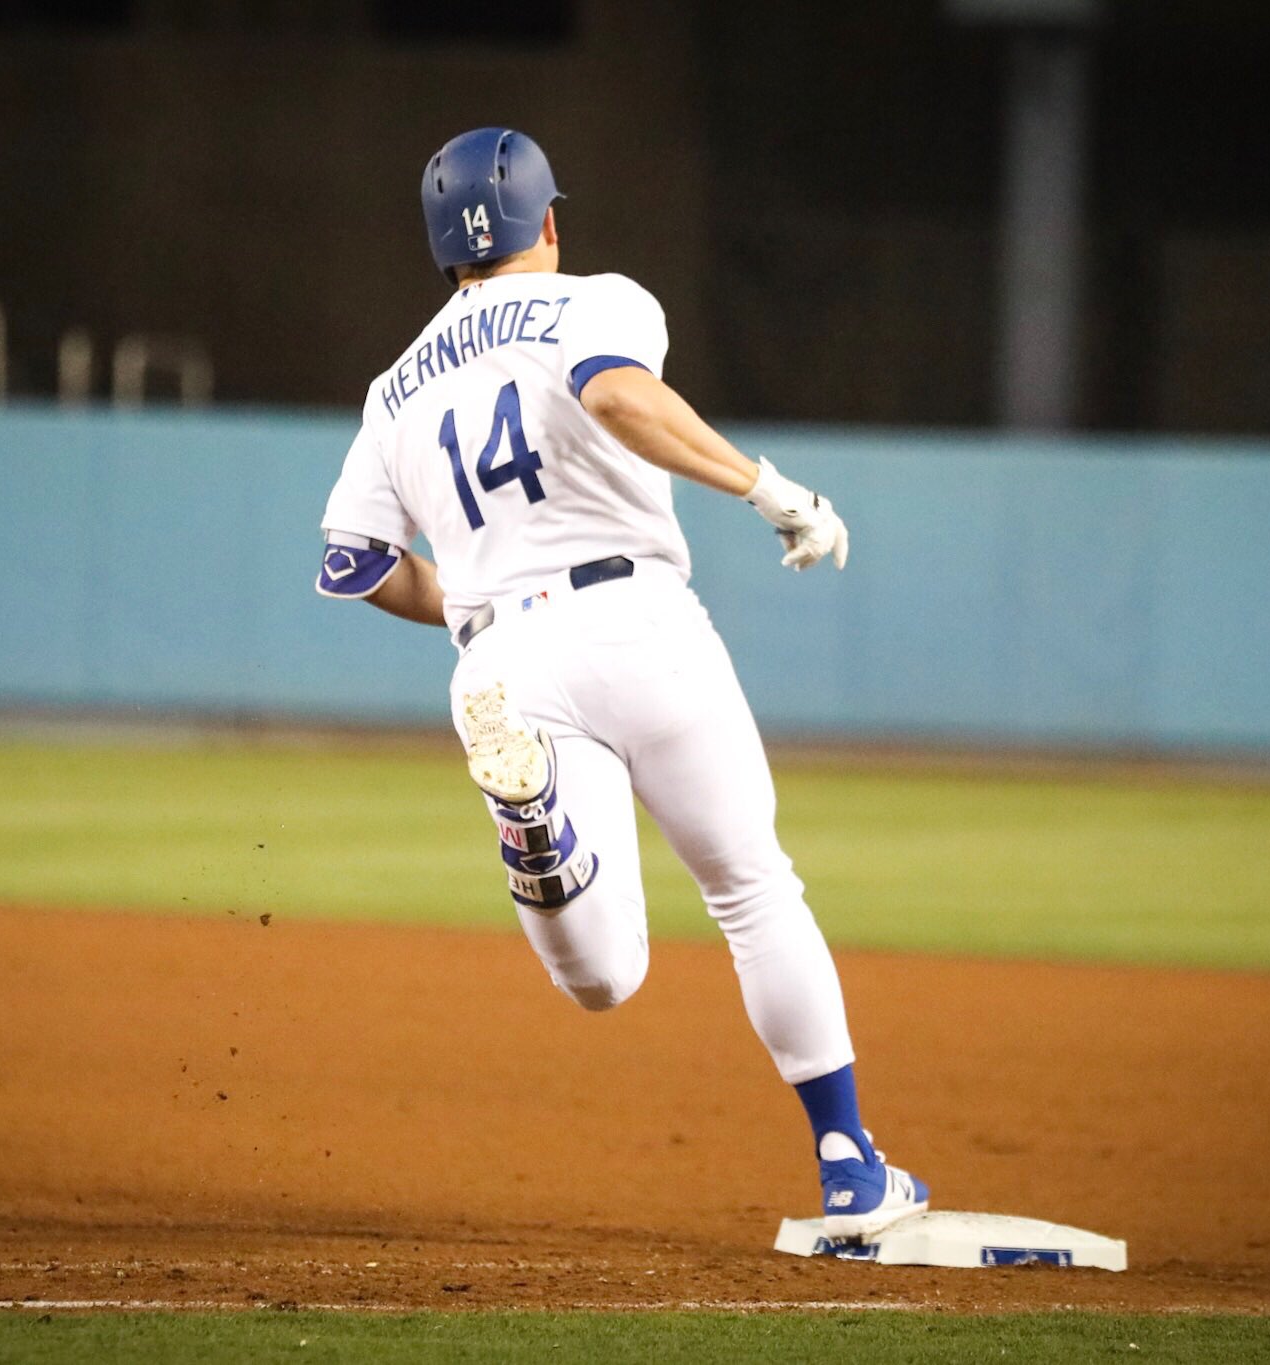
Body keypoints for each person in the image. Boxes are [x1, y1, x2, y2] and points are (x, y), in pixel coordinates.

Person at [314, 126, 928, 1239]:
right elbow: (613, 397)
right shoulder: (594, 298)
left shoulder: (391, 388)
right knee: (749, 888)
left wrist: (470, 607)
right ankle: (848, 1167)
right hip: (637, 619)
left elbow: (350, 564)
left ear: (439, 251)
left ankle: (533, 824)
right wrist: (765, 487)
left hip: (495, 656)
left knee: (602, 981)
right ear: (547, 220)